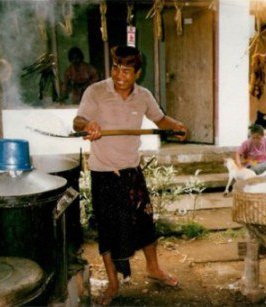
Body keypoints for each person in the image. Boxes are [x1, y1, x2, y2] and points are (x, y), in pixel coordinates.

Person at [73, 46, 187, 305]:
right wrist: (88, 125)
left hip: (131, 171)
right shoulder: (96, 91)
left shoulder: (143, 96)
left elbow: (161, 119)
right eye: (115, 67)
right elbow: (78, 121)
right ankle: (113, 284)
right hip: (103, 173)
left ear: (137, 73)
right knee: (108, 230)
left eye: (126, 70)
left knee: (145, 222)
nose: (119, 74)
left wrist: (177, 125)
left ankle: (153, 268)